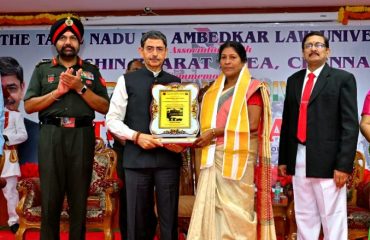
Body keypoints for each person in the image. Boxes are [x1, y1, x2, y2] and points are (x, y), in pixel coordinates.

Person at [24, 17, 109, 240]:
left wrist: (80, 88)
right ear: (55, 42)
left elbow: (104, 106)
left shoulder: (90, 71)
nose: (68, 41)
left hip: (82, 135)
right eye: (63, 38)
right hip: (51, 135)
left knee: (78, 199)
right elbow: (29, 105)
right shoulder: (43, 70)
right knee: (50, 198)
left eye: (73, 37)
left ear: (80, 42)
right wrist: (58, 93)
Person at [187, 41, 276, 240]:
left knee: (236, 209)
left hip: (239, 156)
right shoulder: (212, 91)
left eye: (233, 57)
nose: (227, 62)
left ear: (243, 61)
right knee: (214, 208)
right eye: (224, 58)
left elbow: (252, 124)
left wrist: (214, 133)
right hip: (212, 154)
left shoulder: (253, 88)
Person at [278, 31, 359, 240]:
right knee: (304, 215)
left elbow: (350, 126)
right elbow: (288, 122)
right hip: (299, 157)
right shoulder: (294, 80)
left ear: (328, 51)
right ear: (303, 52)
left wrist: (343, 165)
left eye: (318, 45)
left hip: (329, 161)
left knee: (332, 216)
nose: (313, 48)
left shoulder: (343, 79)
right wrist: (285, 159)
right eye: (308, 45)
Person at [106, 30, 182, 240]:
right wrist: (137, 136)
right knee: (136, 220)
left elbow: (182, 124)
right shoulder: (127, 80)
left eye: (159, 49)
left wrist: (183, 142)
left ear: (166, 52)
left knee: (169, 221)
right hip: (136, 159)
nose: (154, 54)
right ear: (141, 51)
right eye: (150, 49)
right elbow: (112, 120)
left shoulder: (176, 82)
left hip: (168, 159)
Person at [111, 59, 156, 240]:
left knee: (147, 198)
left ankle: (149, 233)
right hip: (127, 151)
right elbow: (113, 123)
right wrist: (131, 142)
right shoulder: (121, 90)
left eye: (141, 70)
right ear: (127, 71)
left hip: (148, 149)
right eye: (135, 70)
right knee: (129, 199)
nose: (138, 73)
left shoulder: (152, 91)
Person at [0, 57, 28, 234]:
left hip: (8, 158)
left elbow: (23, 135)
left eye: (11, 88)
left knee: (11, 192)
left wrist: (6, 137)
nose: (6, 96)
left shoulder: (17, 116)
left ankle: (14, 221)